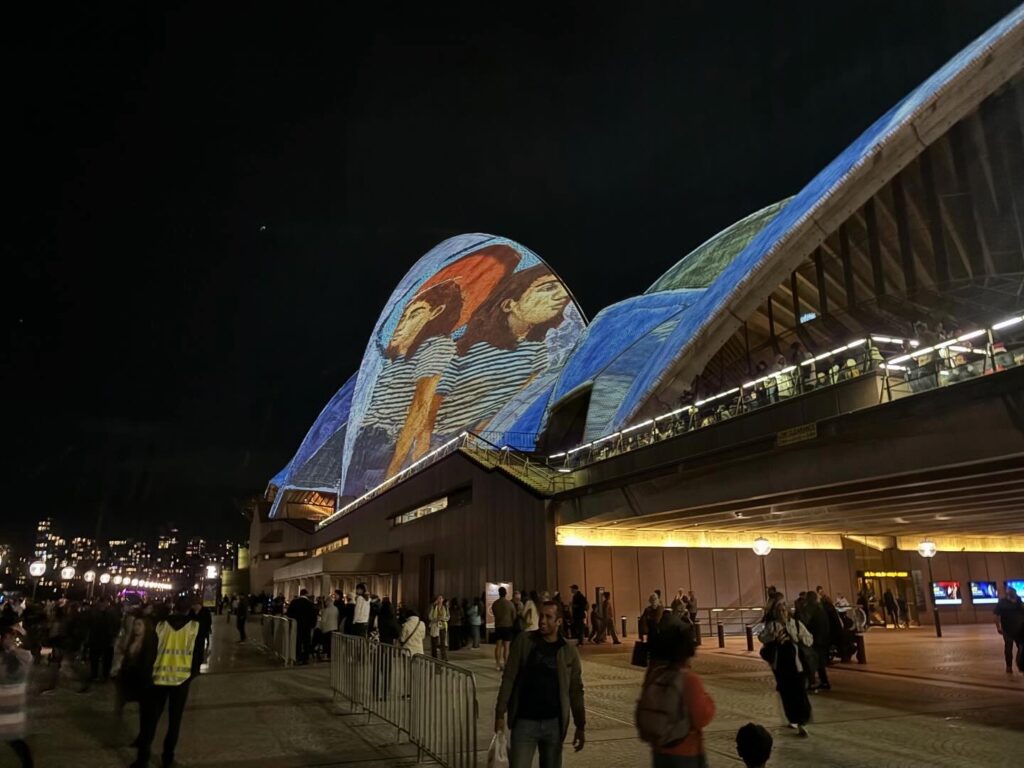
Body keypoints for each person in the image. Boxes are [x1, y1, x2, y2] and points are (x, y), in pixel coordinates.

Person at [495, 601, 585, 768]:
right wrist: (500, 713)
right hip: (524, 723)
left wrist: (580, 725)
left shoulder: (568, 651)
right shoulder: (524, 641)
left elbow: (575, 690)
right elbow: (509, 678)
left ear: (558, 621)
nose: (542, 621)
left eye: (548, 617)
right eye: (541, 616)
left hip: (553, 726)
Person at [132, 598, 203, 768]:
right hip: (181, 680)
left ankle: (142, 759)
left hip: (158, 678)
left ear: (174, 608)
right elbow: (198, 655)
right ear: (189, 609)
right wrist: (191, 674)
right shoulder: (195, 627)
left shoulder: (160, 626)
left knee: (150, 721)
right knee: (174, 721)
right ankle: (167, 758)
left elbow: (149, 652)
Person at [641, 625, 715, 767]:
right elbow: (701, 717)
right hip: (686, 752)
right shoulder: (688, 680)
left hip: (659, 750)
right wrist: (708, 701)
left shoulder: (656, 676)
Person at [758, 601, 813, 736]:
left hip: (797, 664)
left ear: (788, 611)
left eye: (784, 610)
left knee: (800, 692)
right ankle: (794, 718)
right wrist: (772, 637)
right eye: (779, 611)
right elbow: (761, 637)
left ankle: (803, 720)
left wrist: (796, 638)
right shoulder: (773, 626)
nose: (782, 613)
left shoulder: (796, 624)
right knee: (787, 694)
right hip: (781, 665)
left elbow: (809, 639)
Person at [112, 614, 158, 717]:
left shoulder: (149, 643)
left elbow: (148, 661)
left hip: (142, 679)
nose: (136, 627)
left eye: (139, 625)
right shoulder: (131, 640)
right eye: (135, 625)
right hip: (128, 677)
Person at [0, 624, 33, 768]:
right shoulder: (3, 657)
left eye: (13, 637)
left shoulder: (24, 656)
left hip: (12, 711)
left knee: (15, 741)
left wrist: (11, 648)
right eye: (6, 636)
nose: (9, 639)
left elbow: (19, 665)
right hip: (3, 707)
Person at [993, 587, 1024, 674]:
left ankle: (1020, 663)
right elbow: (996, 616)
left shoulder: (1019, 601)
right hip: (1007, 630)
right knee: (1008, 648)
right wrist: (998, 627)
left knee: (1021, 648)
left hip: (1020, 630)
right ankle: (1009, 667)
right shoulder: (1002, 603)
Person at [286, 589, 318, 664]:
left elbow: (289, 613)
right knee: (306, 641)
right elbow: (314, 615)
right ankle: (305, 657)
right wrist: (313, 624)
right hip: (307, 626)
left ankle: (297, 656)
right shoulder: (310, 604)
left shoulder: (294, 602)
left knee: (297, 641)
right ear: (306, 594)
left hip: (296, 625)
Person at [493, 587, 516, 671]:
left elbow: (494, 614)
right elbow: (514, 616)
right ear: (506, 593)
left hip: (498, 626)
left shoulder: (495, 603)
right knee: (506, 647)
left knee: (498, 646)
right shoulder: (510, 604)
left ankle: (497, 664)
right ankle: (506, 664)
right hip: (507, 626)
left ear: (499, 593)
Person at [188, 598, 212, 676]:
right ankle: (192, 666)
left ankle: (198, 666)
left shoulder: (205, 611)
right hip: (191, 634)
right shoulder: (191, 612)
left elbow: (209, 621)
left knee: (200, 649)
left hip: (201, 633)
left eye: (195, 605)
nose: (194, 607)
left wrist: (206, 630)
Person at [317, 594, 340, 660]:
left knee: (326, 644)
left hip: (327, 629)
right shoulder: (336, 609)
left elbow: (323, 621)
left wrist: (321, 627)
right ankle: (331, 656)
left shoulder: (326, 610)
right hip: (335, 628)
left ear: (328, 602)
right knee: (332, 644)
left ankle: (326, 656)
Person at [428, 595, 450, 662]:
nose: (440, 600)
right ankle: (434, 657)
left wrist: (443, 619)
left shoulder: (445, 607)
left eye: (441, 598)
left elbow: (448, 616)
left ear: (443, 600)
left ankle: (444, 657)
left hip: (443, 626)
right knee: (434, 642)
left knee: (443, 643)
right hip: (435, 625)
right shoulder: (434, 607)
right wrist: (435, 619)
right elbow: (430, 616)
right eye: (438, 598)